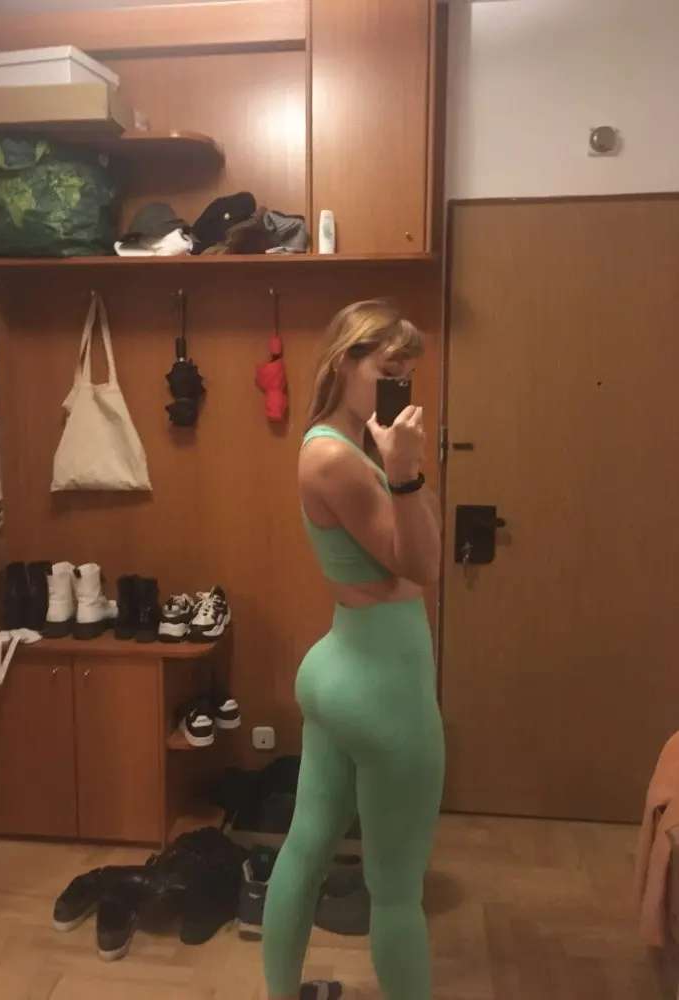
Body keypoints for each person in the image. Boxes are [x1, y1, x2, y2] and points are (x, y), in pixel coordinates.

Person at [262, 300, 445, 1000]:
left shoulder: (341, 443)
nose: (399, 386)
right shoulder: (336, 458)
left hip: (343, 668)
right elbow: (422, 564)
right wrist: (406, 474)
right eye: (387, 371)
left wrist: (399, 467)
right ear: (346, 361)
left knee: (306, 847)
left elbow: (415, 538)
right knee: (396, 890)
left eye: (406, 375)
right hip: (381, 688)